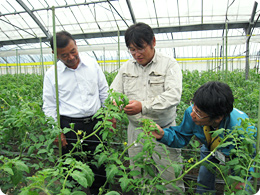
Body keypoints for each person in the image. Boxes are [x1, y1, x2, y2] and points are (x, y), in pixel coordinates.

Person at [110, 22, 184, 193]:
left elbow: (173, 95)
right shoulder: (126, 67)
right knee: (141, 178)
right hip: (135, 131)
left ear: (153, 42)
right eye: (132, 49)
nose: (136, 54)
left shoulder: (169, 64)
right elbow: (113, 92)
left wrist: (143, 106)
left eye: (140, 48)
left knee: (170, 179)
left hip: (163, 131)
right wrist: (115, 104)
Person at [151, 81, 256, 194]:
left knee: (241, 187)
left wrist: (244, 178)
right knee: (204, 179)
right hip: (210, 147)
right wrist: (163, 134)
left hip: (236, 155)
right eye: (194, 107)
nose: (193, 114)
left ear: (218, 118)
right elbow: (181, 135)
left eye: (199, 112)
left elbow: (248, 159)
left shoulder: (243, 130)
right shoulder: (192, 113)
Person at [42, 30, 109, 194]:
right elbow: (50, 106)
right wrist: (57, 131)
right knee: (71, 170)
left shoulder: (92, 64)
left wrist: (108, 116)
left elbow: (104, 92)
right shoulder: (52, 75)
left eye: (73, 52)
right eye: (64, 55)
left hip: (96, 124)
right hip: (69, 127)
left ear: (76, 45)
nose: (71, 57)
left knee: (99, 165)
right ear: (54, 54)